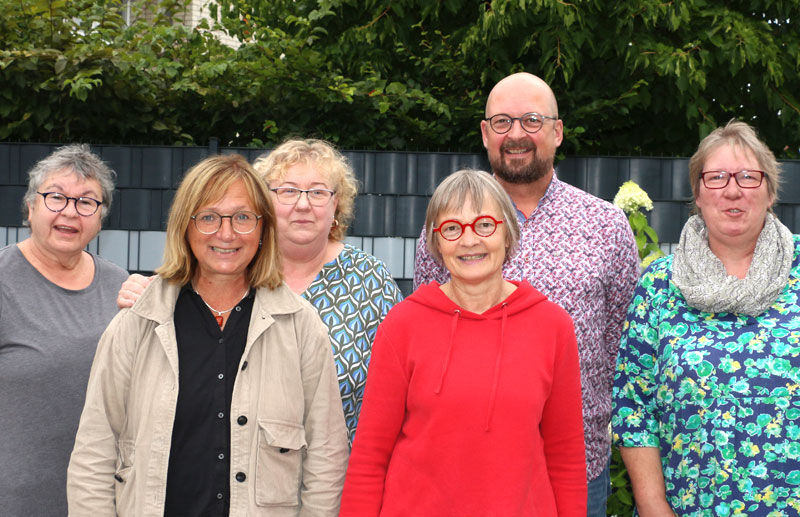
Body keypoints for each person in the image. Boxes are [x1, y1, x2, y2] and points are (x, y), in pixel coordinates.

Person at [68, 154, 348, 516]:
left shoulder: (301, 328)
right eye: (209, 218)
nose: (226, 233)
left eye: (243, 218)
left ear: (264, 229)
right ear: (186, 225)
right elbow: (94, 453)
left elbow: (326, 459)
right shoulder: (137, 324)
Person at [413, 72, 640, 514]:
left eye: (531, 120)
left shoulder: (606, 227)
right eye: (502, 122)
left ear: (557, 131)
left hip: (575, 468)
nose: (516, 134)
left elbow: (623, 349)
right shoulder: (443, 231)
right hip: (462, 464)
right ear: (485, 133)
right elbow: (428, 335)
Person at [117, 139, 403, 443]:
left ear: (337, 205)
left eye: (318, 192)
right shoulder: (232, 265)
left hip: (339, 472)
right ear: (262, 206)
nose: (303, 204)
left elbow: (400, 386)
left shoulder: (370, 279)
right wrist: (142, 294)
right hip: (237, 470)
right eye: (288, 191)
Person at [341, 169, 587, 516]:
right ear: (437, 243)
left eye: (485, 224)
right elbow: (369, 457)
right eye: (452, 229)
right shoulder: (403, 326)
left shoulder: (552, 326)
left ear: (507, 233)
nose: (469, 240)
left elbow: (566, 458)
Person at [612, 120, 800, 516]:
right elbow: (635, 406)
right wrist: (652, 506)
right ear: (697, 193)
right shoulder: (660, 284)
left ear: (770, 191)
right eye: (715, 178)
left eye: (748, 177)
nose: (732, 190)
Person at [0, 145, 128, 517]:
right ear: (30, 206)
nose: (70, 211)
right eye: (56, 197)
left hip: (100, 501)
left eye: (87, 202)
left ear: (100, 218)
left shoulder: (121, 287)